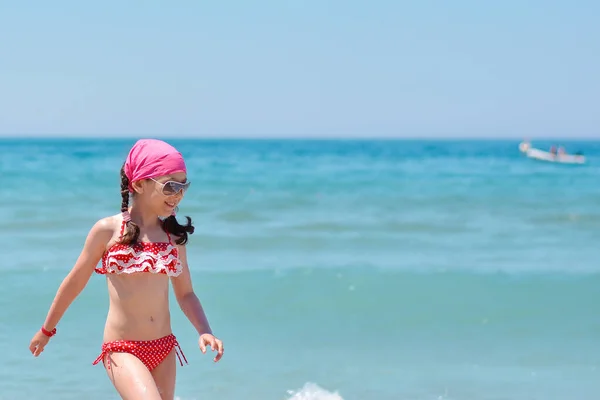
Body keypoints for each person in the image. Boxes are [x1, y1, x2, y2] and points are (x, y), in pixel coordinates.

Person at [29, 139, 224, 400]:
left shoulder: (173, 237)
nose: (178, 193)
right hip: (122, 349)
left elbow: (186, 294)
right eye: (170, 185)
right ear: (139, 184)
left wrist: (205, 331)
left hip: (164, 348)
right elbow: (75, 282)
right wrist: (46, 330)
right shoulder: (108, 230)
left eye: (183, 185)